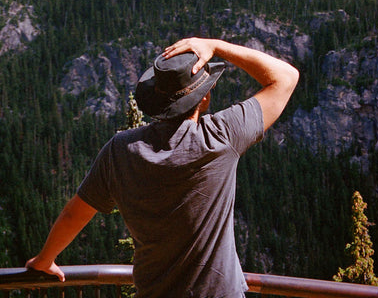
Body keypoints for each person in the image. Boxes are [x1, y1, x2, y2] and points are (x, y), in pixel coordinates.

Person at [26, 37, 299, 298]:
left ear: (157, 101)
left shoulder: (120, 150)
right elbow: (285, 78)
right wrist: (215, 46)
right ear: (203, 100)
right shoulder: (221, 137)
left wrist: (44, 259)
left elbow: (75, 213)